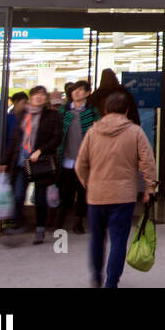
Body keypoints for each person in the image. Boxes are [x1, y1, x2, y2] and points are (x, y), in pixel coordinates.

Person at [76, 89, 157, 288]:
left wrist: (89, 183)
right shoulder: (136, 132)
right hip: (123, 196)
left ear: (104, 109)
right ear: (127, 110)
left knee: (97, 238)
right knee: (118, 240)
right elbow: (148, 162)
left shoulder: (93, 132)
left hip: (96, 196)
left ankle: (96, 276)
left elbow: (80, 164)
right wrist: (150, 188)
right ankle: (111, 282)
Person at [2, 85, 62, 244]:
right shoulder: (23, 114)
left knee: (40, 198)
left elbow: (56, 138)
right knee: (18, 194)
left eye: (43, 94)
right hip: (22, 161)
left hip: (41, 162)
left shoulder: (52, 116)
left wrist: (41, 150)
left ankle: (40, 229)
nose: (39, 97)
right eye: (36, 94)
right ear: (31, 97)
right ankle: (19, 223)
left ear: (46, 98)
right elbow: (16, 140)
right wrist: (5, 161)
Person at [56, 80, 97, 234]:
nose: (77, 92)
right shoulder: (64, 111)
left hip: (85, 160)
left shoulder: (92, 112)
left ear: (87, 93)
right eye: (74, 90)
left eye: (81, 90)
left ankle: (78, 221)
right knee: (66, 191)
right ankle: (60, 221)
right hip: (66, 158)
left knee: (82, 192)